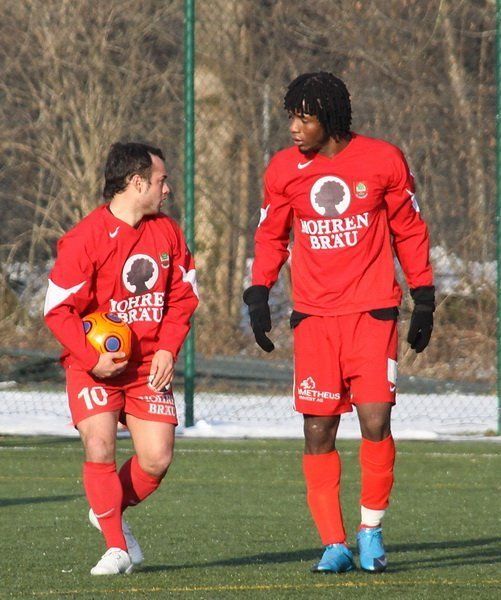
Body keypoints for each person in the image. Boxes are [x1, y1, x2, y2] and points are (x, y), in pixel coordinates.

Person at [243, 72, 434, 574]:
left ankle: (370, 530)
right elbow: (271, 235)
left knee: (375, 420)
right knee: (318, 428)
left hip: (372, 314)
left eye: (304, 118)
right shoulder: (283, 169)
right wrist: (259, 291)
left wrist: (424, 295)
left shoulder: (383, 160)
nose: (294, 128)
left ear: (329, 118)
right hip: (314, 319)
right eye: (291, 117)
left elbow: (409, 229)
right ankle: (333, 543)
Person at [44, 142, 199, 575]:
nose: (167, 189)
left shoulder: (168, 232)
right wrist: (90, 358)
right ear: (136, 183)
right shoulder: (84, 238)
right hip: (93, 366)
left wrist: (168, 346)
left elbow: (184, 296)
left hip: (148, 364)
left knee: (157, 459)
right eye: (161, 180)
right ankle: (116, 547)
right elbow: (57, 309)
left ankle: (106, 508)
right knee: (99, 445)